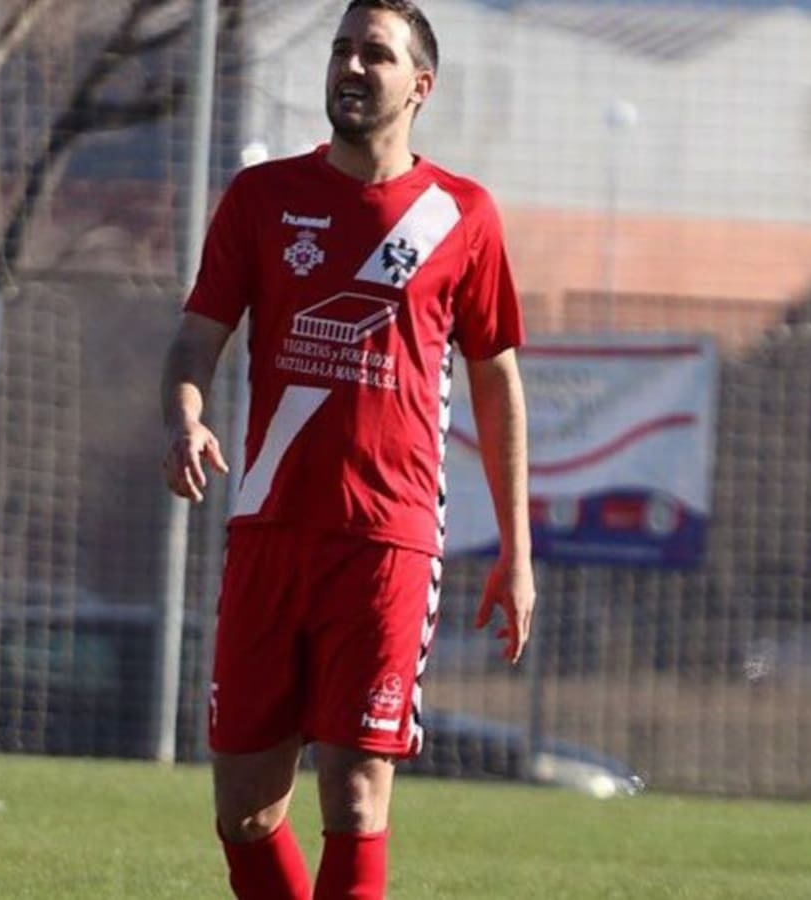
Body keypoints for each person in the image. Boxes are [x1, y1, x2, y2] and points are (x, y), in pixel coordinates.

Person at [161, 1, 535, 896]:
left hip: (386, 544)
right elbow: (195, 340)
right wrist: (185, 416)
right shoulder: (262, 198)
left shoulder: (461, 216)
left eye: (376, 53)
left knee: (358, 796)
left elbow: (497, 385)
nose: (353, 67)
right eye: (341, 50)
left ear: (421, 86)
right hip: (269, 529)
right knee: (246, 811)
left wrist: (516, 550)